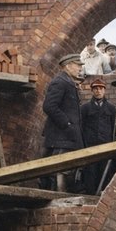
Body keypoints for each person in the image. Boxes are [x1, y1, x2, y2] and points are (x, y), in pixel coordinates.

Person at [40, 52, 84, 190]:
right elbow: (49, 106)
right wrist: (67, 124)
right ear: (68, 66)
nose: (80, 68)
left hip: (65, 137)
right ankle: (57, 199)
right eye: (77, 65)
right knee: (59, 171)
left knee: (62, 170)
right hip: (61, 137)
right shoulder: (60, 82)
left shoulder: (68, 82)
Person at [79, 77, 116, 193]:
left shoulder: (111, 108)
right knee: (90, 172)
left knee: (104, 171)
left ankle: (102, 196)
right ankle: (90, 194)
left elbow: (113, 127)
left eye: (101, 88)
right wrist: (84, 145)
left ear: (104, 90)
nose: (98, 91)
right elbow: (81, 127)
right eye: (95, 89)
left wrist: (112, 145)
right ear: (92, 91)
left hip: (106, 146)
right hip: (90, 146)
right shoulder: (85, 108)